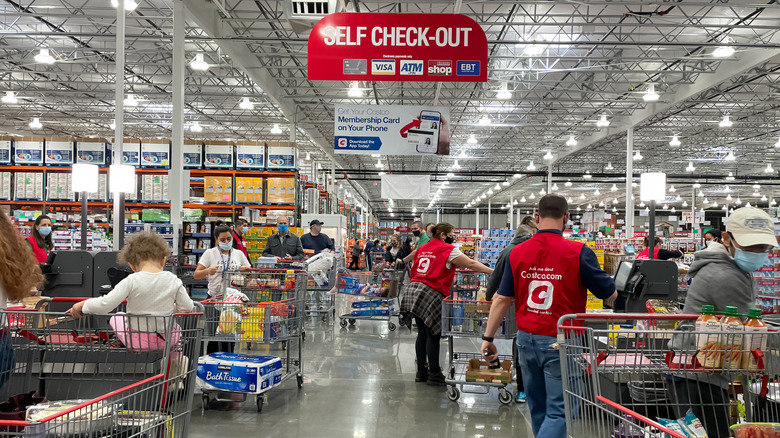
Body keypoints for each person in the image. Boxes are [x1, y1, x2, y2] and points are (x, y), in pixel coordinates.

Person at [481, 195, 617, 437]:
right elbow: (609, 293)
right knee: (561, 412)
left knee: (539, 408)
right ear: (566, 218)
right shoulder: (579, 252)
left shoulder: (517, 252)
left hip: (526, 340)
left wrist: (488, 338)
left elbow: (501, 298)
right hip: (561, 341)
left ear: (536, 217)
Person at [668, 207, 777, 437]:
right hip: (698, 371)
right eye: (752, 246)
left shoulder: (731, 268)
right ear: (727, 239)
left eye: (765, 248)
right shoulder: (724, 275)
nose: (759, 253)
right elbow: (753, 329)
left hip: (700, 367)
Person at [400, 222, 493, 386]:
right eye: (452, 233)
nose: (453, 236)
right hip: (429, 292)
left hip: (413, 290)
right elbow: (470, 263)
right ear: (443, 235)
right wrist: (493, 271)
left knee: (422, 334)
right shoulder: (448, 250)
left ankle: (421, 372)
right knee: (433, 335)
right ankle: (434, 374)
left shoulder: (423, 248)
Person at [67, 231, 194, 320]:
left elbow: (105, 305)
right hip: (166, 338)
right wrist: (165, 309)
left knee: (118, 317)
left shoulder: (132, 280)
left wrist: (83, 305)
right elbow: (187, 307)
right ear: (163, 260)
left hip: (137, 340)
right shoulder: (173, 279)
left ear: (132, 265)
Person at [486, 215, 538, 404]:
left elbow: (496, 277)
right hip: (539, 307)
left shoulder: (508, 250)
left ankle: (523, 389)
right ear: (533, 232)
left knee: (521, 343)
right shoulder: (536, 250)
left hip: (517, 304)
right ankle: (528, 388)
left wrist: (487, 296)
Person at [194, 224, 252, 297]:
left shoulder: (239, 253)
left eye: (229, 239)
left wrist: (244, 270)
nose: (226, 242)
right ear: (216, 239)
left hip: (234, 297)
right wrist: (207, 271)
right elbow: (196, 275)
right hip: (215, 297)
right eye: (222, 240)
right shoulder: (210, 253)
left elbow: (250, 274)